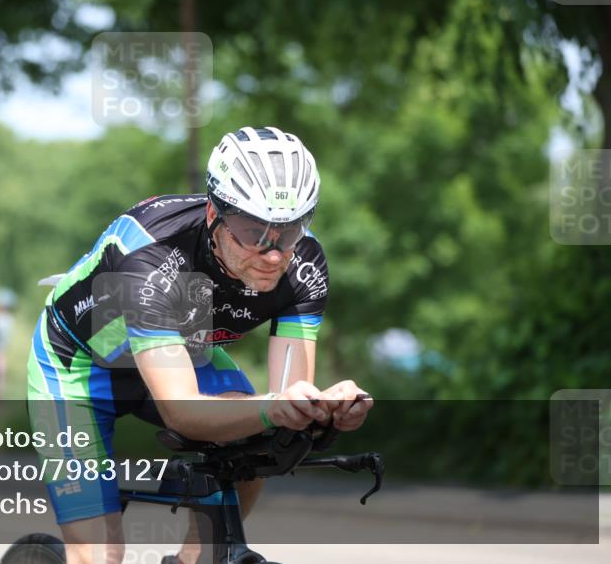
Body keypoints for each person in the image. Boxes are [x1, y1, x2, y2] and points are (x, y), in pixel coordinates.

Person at [27, 126, 373, 564]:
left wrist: (325, 409)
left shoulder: (304, 263)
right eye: (253, 232)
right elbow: (182, 410)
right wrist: (272, 406)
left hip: (182, 350)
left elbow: (288, 403)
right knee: (99, 555)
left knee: (260, 437)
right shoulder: (149, 253)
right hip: (77, 365)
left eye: (288, 232)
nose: (272, 253)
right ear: (214, 214)